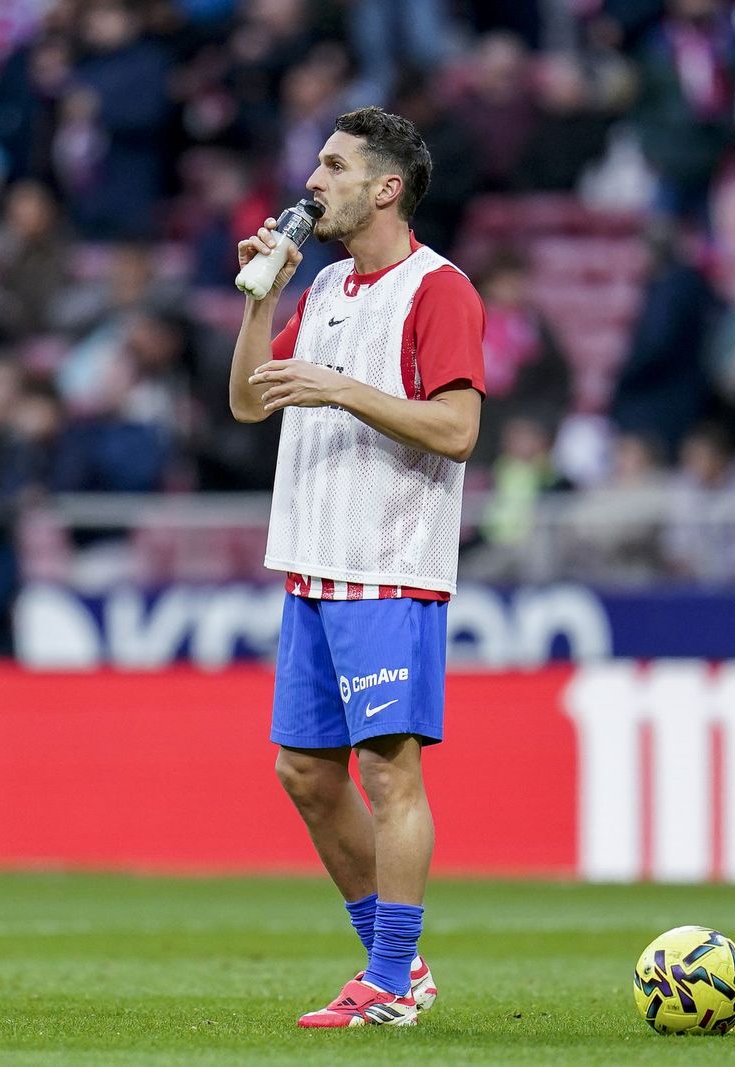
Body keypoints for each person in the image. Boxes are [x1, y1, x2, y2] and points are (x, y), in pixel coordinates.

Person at [229, 106, 485, 1027]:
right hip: (312, 566)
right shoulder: (329, 285)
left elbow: (458, 430)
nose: (314, 181)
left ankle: (388, 981)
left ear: (386, 187)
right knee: (304, 771)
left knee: (387, 775)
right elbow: (250, 403)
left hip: (389, 566)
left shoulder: (440, 290)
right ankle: (398, 965)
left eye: (334, 167)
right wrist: (265, 297)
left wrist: (341, 386)